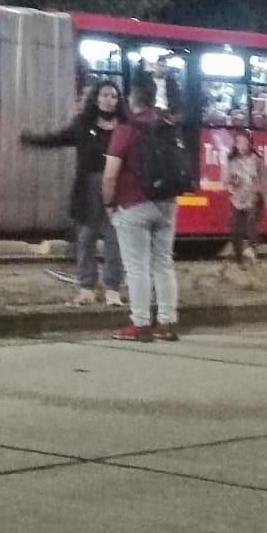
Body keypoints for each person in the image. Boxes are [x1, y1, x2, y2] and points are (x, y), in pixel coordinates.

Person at [22, 80, 126, 306]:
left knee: (114, 239)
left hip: (117, 188)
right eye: (105, 95)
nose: (109, 100)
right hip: (87, 188)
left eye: (114, 96)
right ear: (96, 98)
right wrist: (33, 140)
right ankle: (86, 288)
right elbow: (59, 138)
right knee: (86, 238)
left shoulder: (125, 127)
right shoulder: (83, 123)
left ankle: (112, 289)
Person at [103, 74, 179, 341]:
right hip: (167, 203)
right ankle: (167, 323)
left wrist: (109, 204)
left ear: (132, 97)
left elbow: (110, 174)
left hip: (134, 203)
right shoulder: (166, 124)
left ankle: (140, 323)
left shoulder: (126, 129)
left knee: (137, 267)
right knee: (163, 264)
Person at [225, 128, 267, 267]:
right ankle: (238, 259)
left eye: (244, 143)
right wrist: (232, 181)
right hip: (237, 199)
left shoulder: (257, 160)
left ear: (249, 144)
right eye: (239, 143)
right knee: (236, 231)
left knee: (251, 228)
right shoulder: (231, 160)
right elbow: (226, 179)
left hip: (252, 199)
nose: (241, 146)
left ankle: (251, 254)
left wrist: (260, 195)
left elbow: (263, 180)